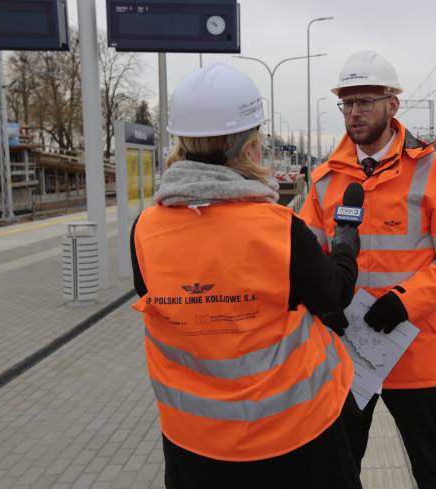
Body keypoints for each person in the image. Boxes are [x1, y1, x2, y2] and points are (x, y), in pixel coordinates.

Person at [130, 63, 363, 489]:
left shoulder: (144, 229)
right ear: (251, 146)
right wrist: (346, 237)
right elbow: (335, 295)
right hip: (294, 436)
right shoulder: (278, 228)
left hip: (192, 442)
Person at [299, 50, 436, 489]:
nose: (355, 112)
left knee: (433, 467)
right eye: (347, 103)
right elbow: (308, 259)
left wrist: (406, 302)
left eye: (365, 101)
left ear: (392, 105)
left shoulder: (435, 172)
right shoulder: (325, 180)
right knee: (339, 467)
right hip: (346, 352)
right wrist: (321, 302)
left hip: (415, 348)